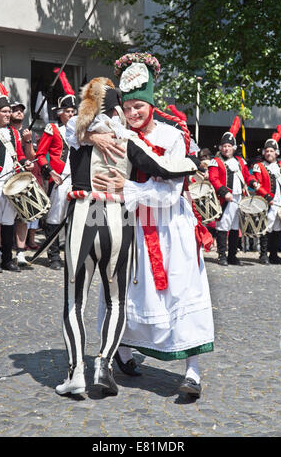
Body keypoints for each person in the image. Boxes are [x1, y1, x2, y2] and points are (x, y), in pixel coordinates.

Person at [57, 75, 199, 397]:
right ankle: (104, 364)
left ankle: (75, 372)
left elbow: (71, 128)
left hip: (84, 213)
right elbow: (162, 167)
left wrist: (88, 131)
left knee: (74, 301)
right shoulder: (125, 138)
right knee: (116, 299)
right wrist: (191, 164)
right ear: (120, 107)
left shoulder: (77, 133)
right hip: (117, 217)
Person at [90, 53, 214, 398]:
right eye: (128, 107)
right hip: (131, 225)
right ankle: (124, 354)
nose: (133, 113)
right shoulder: (115, 133)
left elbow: (170, 193)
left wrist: (126, 188)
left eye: (139, 106)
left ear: (151, 104)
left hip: (169, 228)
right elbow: (77, 134)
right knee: (124, 290)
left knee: (181, 291)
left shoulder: (172, 136)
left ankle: (192, 373)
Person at [0, 80, 34, 272]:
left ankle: (7, 259)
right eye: (4, 111)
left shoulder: (15, 134)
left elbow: (20, 155)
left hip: (12, 182)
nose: (8, 115)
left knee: (8, 221)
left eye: (9, 112)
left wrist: (26, 163)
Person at [208, 117, 259, 266]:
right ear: (220, 148)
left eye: (229, 146)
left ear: (234, 147)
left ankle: (232, 256)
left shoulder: (240, 161)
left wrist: (253, 182)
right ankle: (222, 256)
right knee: (223, 226)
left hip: (239, 198)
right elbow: (213, 178)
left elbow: (247, 175)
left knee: (236, 227)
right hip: (226, 199)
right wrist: (224, 192)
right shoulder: (215, 162)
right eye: (224, 146)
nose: (226, 149)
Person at [36, 81, 77, 270]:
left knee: (73, 218)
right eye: (68, 111)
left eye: (73, 111)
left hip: (76, 179)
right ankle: (53, 256)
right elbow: (40, 155)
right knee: (55, 218)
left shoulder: (80, 132)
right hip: (59, 178)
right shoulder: (52, 129)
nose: (71, 114)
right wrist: (50, 172)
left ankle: (70, 254)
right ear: (60, 112)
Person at [10, 101, 39, 266]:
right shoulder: (4, 131)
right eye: (14, 110)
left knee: (23, 216)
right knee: (3, 219)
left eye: (21, 110)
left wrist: (27, 141)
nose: (19, 112)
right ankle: (2, 251)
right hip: (7, 177)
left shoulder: (30, 133)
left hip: (23, 178)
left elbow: (31, 157)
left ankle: (20, 253)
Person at [253, 125, 281, 264]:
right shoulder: (259, 166)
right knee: (266, 228)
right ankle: (263, 255)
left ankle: (274, 254)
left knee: (278, 229)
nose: (269, 153)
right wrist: (267, 197)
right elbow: (257, 184)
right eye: (267, 151)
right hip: (267, 202)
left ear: (277, 152)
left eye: (271, 151)